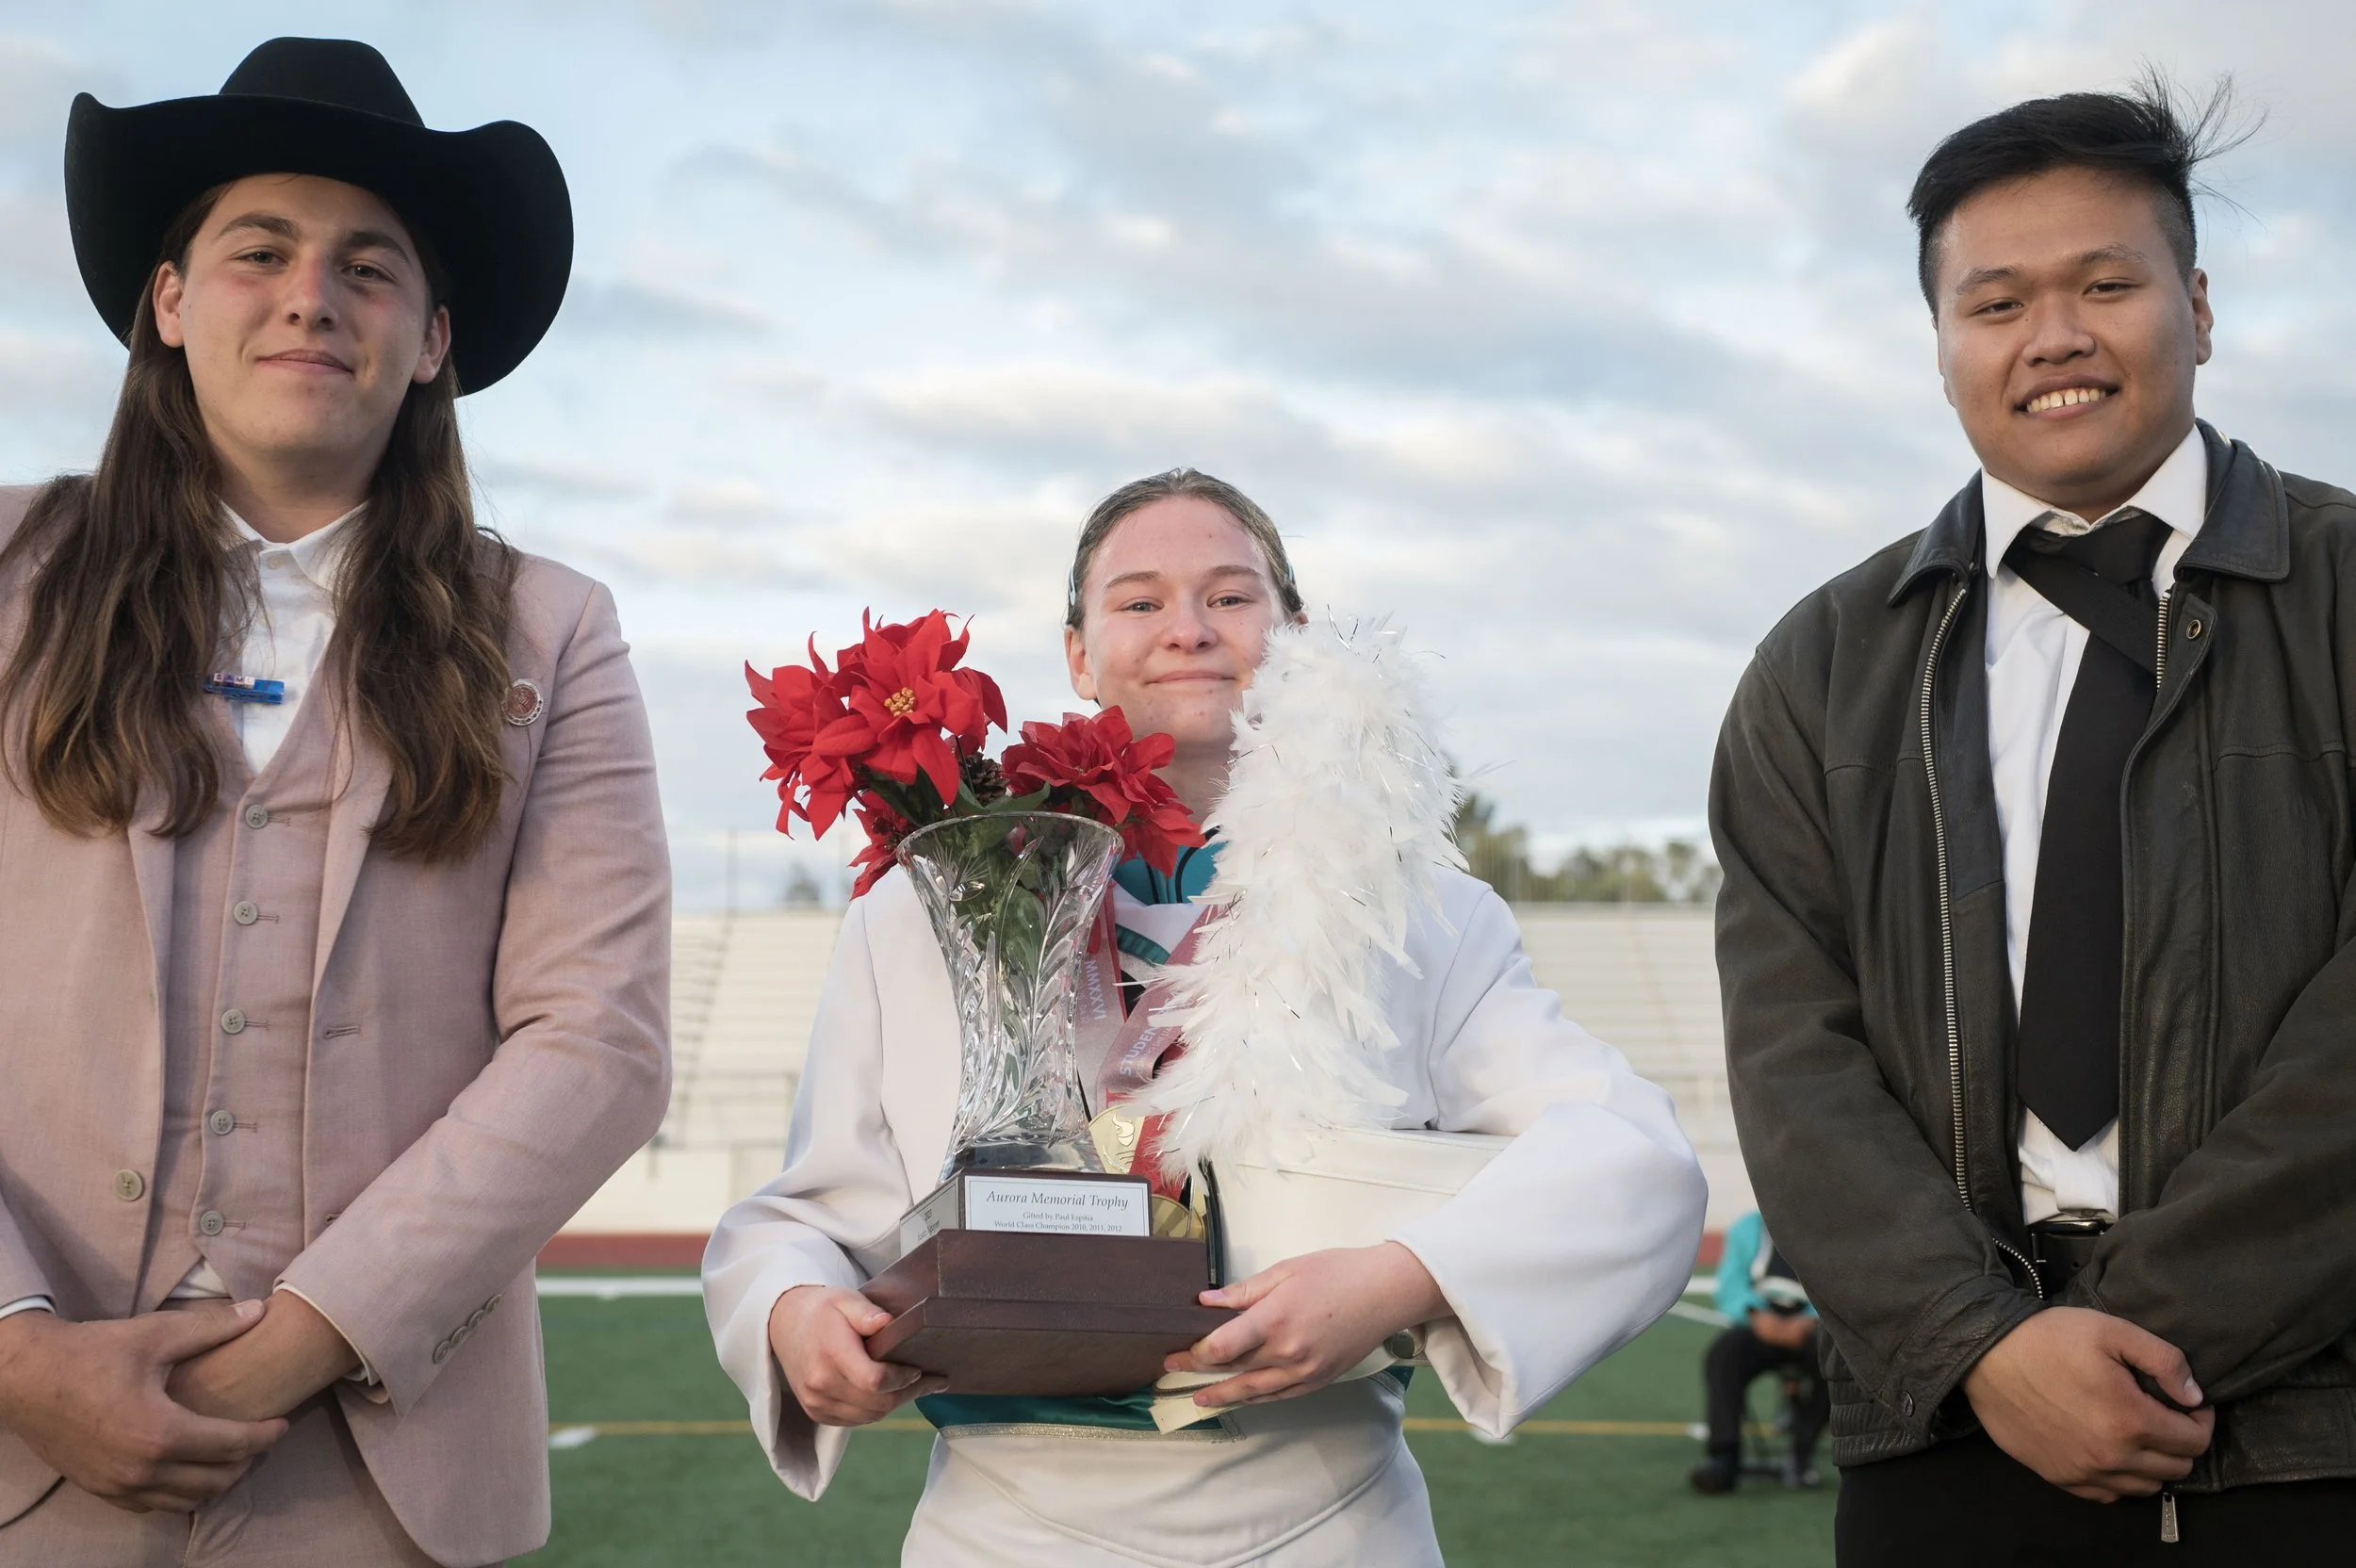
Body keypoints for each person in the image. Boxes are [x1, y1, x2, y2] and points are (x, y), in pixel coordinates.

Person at [705, 467, 1707, 1564]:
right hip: (1003, 1530)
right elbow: (806, 1214)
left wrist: (1397, 1276)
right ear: (1078, 651)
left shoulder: (1421, 912)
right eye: (1138, 600)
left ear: (1296, 635)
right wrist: (794, 1309)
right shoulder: (919, 909)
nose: (1186, 628)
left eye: (1230, 596)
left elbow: (1634, 1158)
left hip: (1332, 1527)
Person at [0, 39, 670, 1567]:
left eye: (369, 267)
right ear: (170, 301)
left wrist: (285, 1350)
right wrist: (21, 1352)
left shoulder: (553, 630)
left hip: (373, 1479)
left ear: (432, 339)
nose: (312, 295)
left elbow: (599, 1039)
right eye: (260, 250)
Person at [1712, 76, 2356, 1565]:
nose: (2052, 335)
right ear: (1942, 348)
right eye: (1996, 303)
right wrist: (1986, 1349)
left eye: (2105, 285)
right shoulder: (1818, 669)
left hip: (2312, 1435)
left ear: (2199, 306)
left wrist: (2136, 1336)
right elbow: (1795, 1060)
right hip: (1950, 1442)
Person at [1687, 1210, 1826, 1494]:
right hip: (1761, 1324)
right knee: (1724, 1355)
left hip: (1814, 1329)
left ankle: (1800, 1454)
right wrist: (1756, 1314)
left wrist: (1811, 1320)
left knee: (1840, 1363)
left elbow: (1848, 1287)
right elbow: (1731, 1285)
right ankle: (1724, 1459)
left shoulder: (1835, 1227)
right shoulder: (1748, 1228)